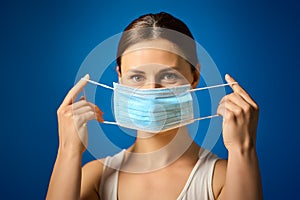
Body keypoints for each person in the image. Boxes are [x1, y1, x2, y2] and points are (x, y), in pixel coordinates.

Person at [46, 12, 262, 200]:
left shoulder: (222, 178)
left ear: (194, 76)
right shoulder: (95, 177)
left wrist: (242, 149)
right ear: (120, 77)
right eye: (137, 77)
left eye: (168, 75)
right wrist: (68, 151)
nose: (152, 90)